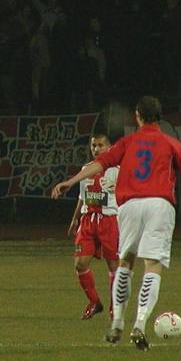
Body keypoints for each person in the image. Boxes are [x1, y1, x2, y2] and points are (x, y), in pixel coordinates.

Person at [51, 96, 181, 350]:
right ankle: (139, 324)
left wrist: (70, 182)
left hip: (129, 206)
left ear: (138, 116)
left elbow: (100, 163)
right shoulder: (171, 143)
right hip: (159, 204)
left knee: (125, 262)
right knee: (152, 265)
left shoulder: (127, 143)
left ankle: (117, 321)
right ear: (159, 117)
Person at [61, 133, 119, 321]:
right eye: (94, 145)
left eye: (101, 145)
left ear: (109, 147)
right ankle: (95, 302)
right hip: (87, 221)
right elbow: (82, 197)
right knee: (80, 264)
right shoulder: (86, 169)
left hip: (109, 220)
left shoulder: (117, 170)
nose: (96, 149)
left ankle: (115, 308)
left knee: (113, 266)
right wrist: (74, 219)